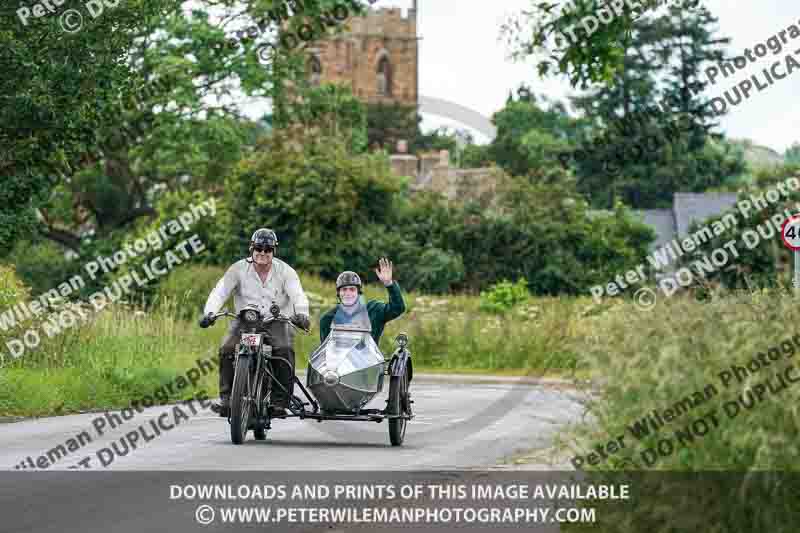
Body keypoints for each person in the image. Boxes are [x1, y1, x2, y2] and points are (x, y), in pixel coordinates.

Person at [199, 228, 310, 417]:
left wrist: (301, 314)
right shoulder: (238, 269)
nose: (263, 253)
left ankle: (278, 402)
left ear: (274, 251)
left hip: (276, 320)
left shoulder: (286, 271)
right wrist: (209, 313)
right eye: (259, 248)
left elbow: (298, 295)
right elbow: (220, 292)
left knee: (284, 349)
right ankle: (226, 401)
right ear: (252, 249)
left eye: (268, 249)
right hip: (246, 319)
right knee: (227, 348)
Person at [319, 257, 405, 346]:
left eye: (352, 289)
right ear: (338, 293)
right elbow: (326, 352)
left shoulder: (373, 310)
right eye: (344, 289)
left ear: (358, 292)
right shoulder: (327, 319)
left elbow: (398, 308)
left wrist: (389, 284)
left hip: (370, 359)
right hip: (340, 360)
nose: (348, 293)